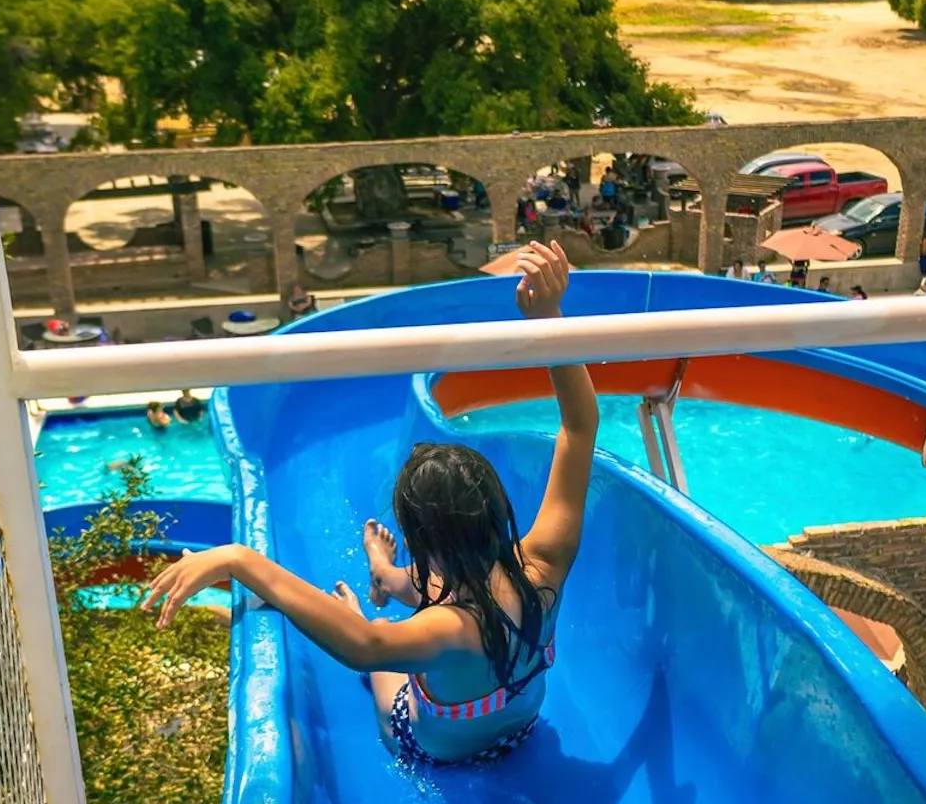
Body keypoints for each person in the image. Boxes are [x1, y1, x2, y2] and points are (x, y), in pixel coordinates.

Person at [142, 244, 599, 767]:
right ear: (495, 507)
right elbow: (580, 426)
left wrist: (238, 559)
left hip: (437, 751)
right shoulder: (544, 563)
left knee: (384, 659)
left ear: (423, 539)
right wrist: (549, 316)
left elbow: (364, 645)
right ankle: (386, 573)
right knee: (436, 586)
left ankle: (379, 577)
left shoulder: (445, 629)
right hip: (520, 729)